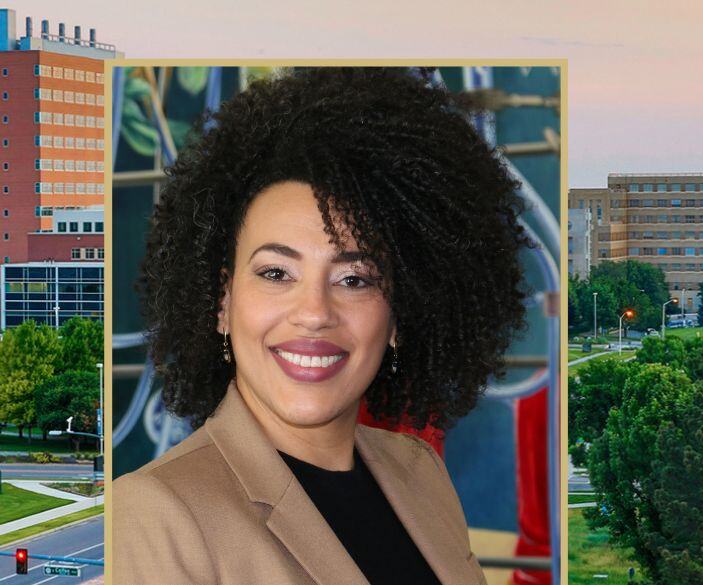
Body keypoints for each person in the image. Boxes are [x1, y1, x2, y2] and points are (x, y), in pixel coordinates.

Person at [113, 67, 530, 584]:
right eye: (275, 273)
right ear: (221, 302)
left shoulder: (421, 472)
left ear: (399, 315)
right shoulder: (157, 511)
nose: (314, 311)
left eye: (354, 279)